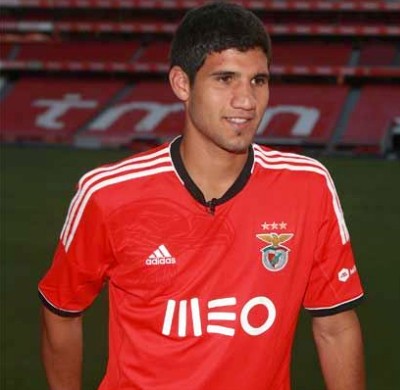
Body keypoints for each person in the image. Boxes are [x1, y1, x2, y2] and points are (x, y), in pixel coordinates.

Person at [38, 2, 365, 389]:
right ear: (182, 84)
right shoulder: (108, 194)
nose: (246, 100)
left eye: (258, 80)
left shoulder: (308, 186)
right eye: (225, 79)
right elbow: (61, 310)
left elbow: (335, 326)